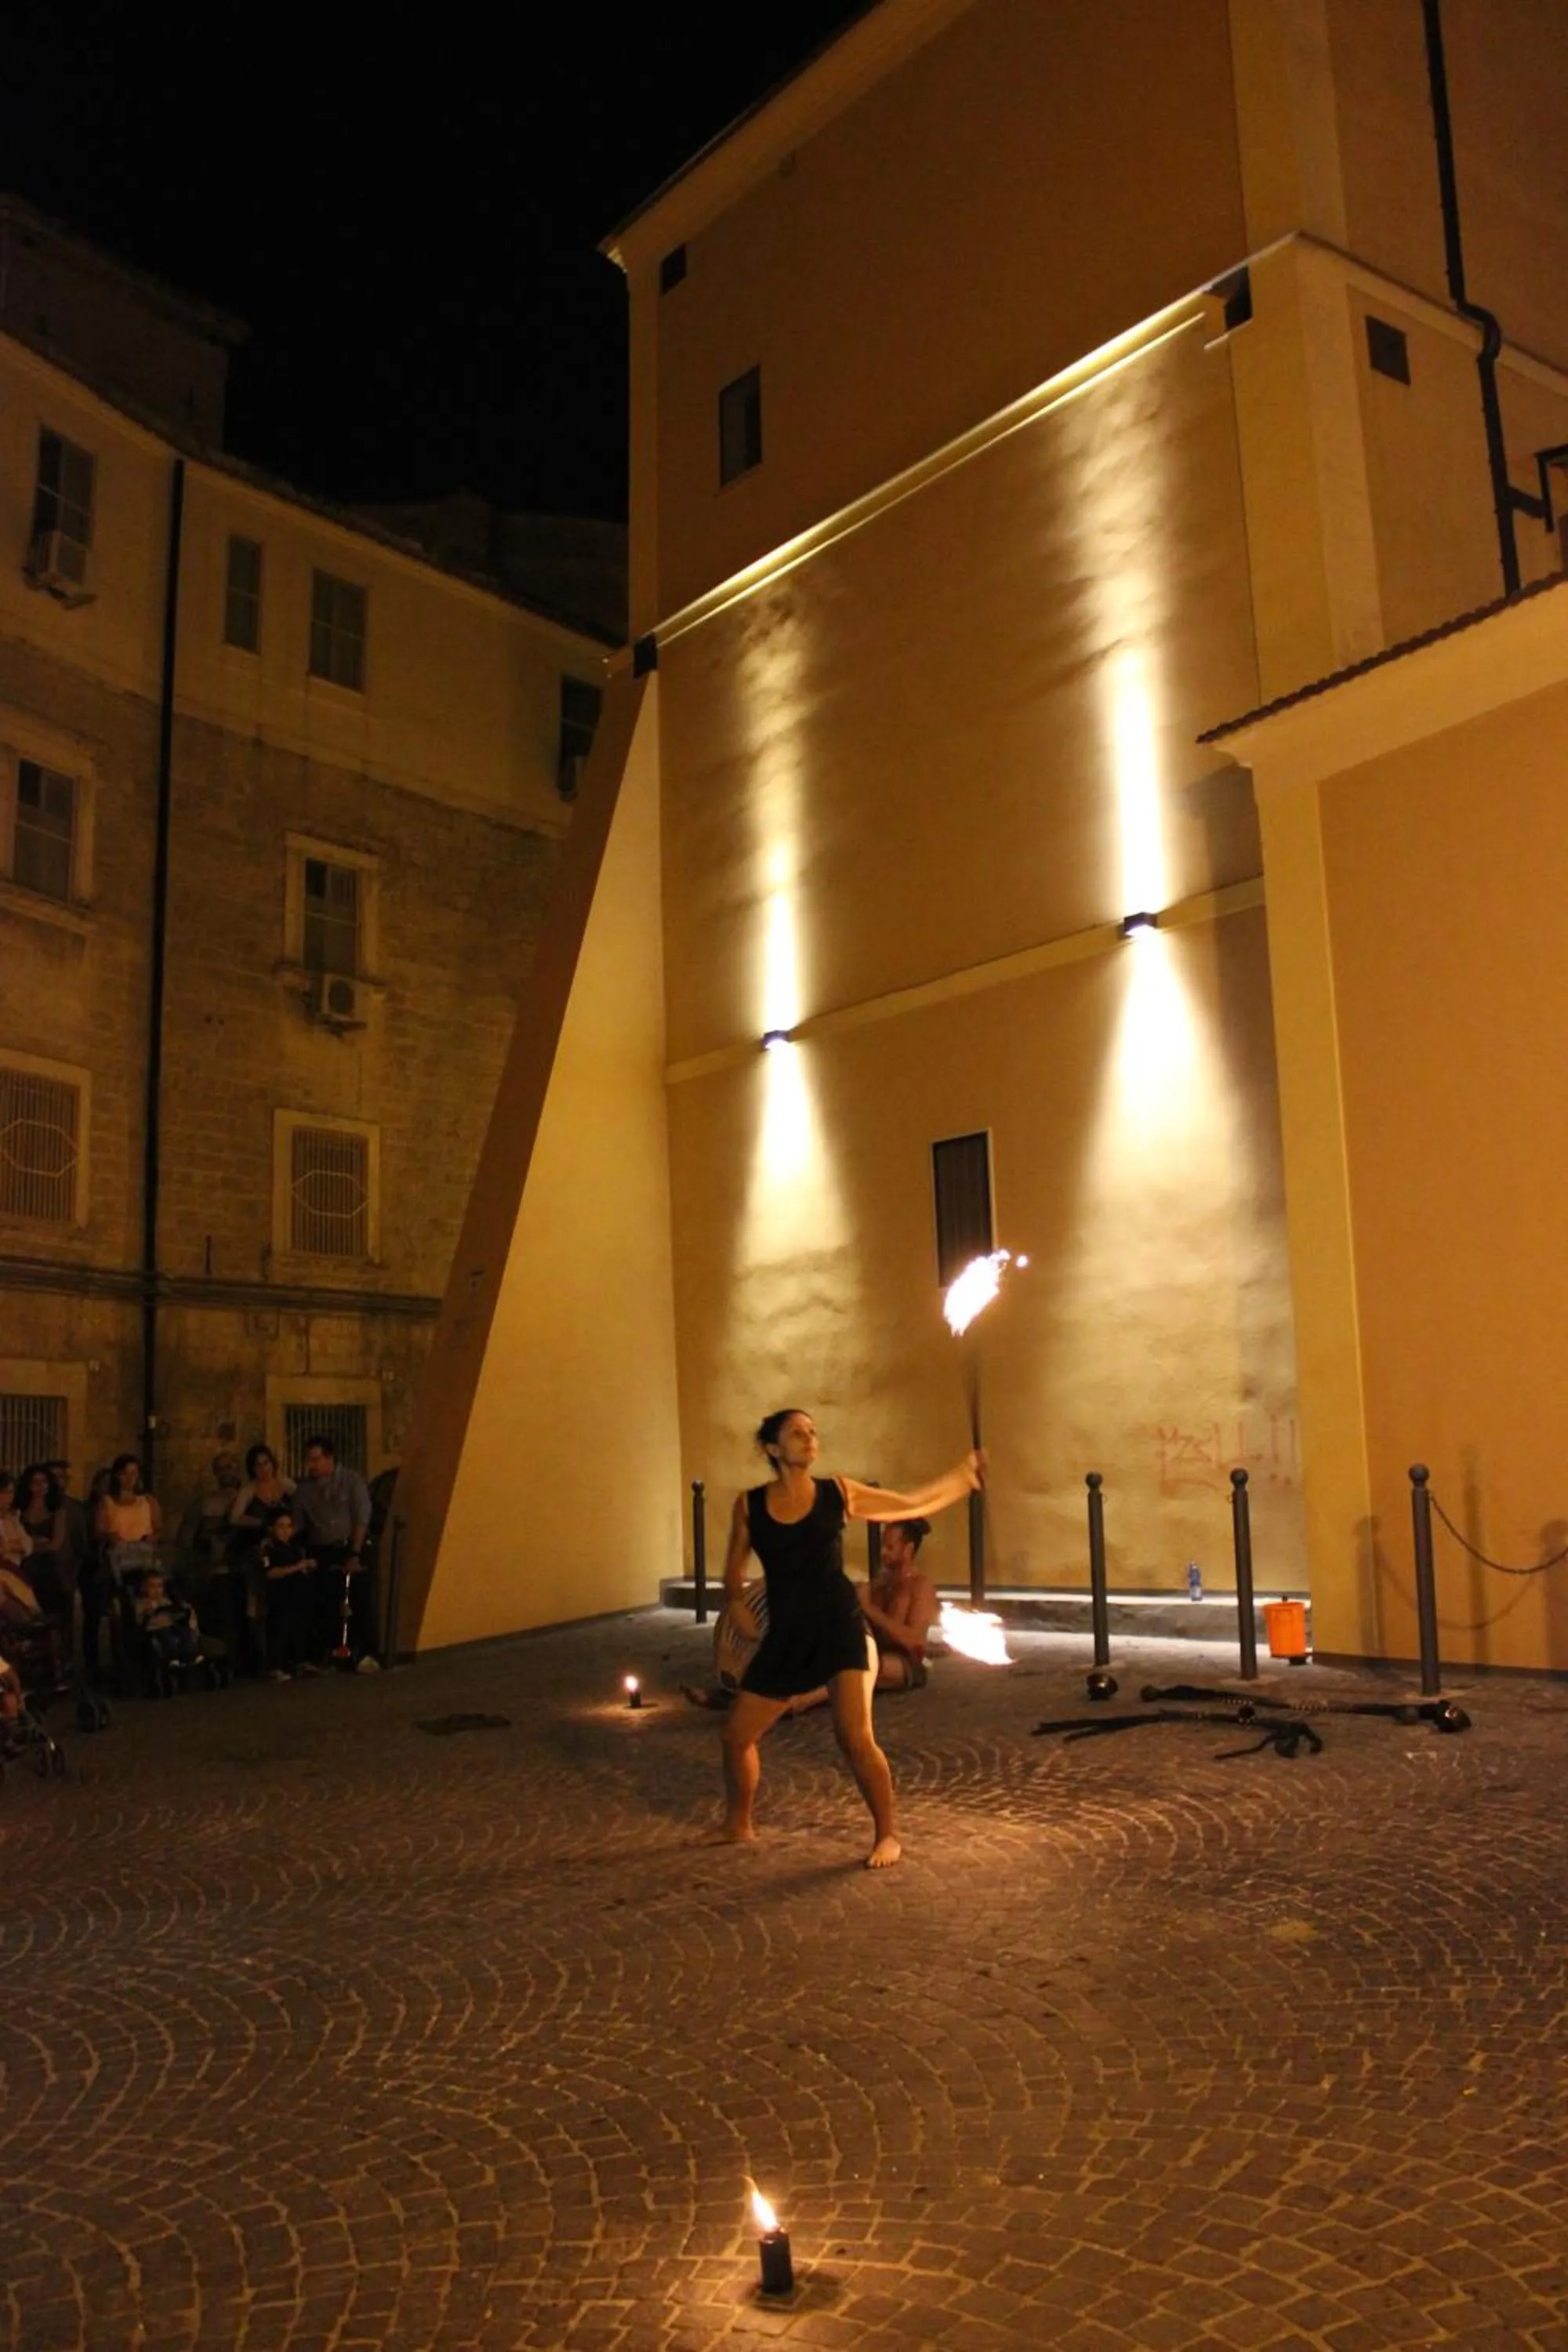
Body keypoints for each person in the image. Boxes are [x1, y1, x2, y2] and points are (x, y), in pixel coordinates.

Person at [715, 1408, 981, 1869]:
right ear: (774, 1449)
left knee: (854, 1736)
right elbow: (732, 1570)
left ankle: (888, 1835)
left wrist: (960, 1478)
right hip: (788, 1634)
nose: (809, 1438)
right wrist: (737, 1606)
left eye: (813, 1431)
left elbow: (907, 1503)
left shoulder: (836, 1492)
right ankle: (738, 1823)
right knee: (737, 1735)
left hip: (839, 1625)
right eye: (797, 1433)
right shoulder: (750, 1506)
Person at [290, 1436, 378, 1668]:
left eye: (316, 1459)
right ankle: (328, 1652)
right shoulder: (304, 1490)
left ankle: (365, 1652)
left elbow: (361, 1517)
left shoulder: (351, 1481)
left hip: (348, 1547)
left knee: (358, 1601)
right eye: (309, 1460)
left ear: (330, 1458)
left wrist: (355, 1552)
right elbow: (297, 1524)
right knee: (325, 1603)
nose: (312, 1465)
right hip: (321, 1551)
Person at [257, 1509, 323, 1680]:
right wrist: (297, 1567)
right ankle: (275, 1667)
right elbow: (270, 1573)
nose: (286, 1531)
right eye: (281, 1526)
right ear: (271, 1528)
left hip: (298, 1598)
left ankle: (297, 1662)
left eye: (289, 1527)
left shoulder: (294, 1549)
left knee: (299, 1630)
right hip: (280, 1598)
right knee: (279, 1631)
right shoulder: (268, 1549)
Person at [132, 1569, 202, 1673]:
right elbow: (139, 1619)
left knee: (185, 1633)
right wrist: (149, 1610)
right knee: (166, 1637)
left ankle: (190, 1654)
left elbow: (176, 1610)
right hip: (154, 1629)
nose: (157, 1590)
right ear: (144, 1588)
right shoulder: (142, 1603)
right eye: (152, 1587)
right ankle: (172, 1657)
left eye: (160, 1586)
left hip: (171, 1625)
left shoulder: (165, 1600)